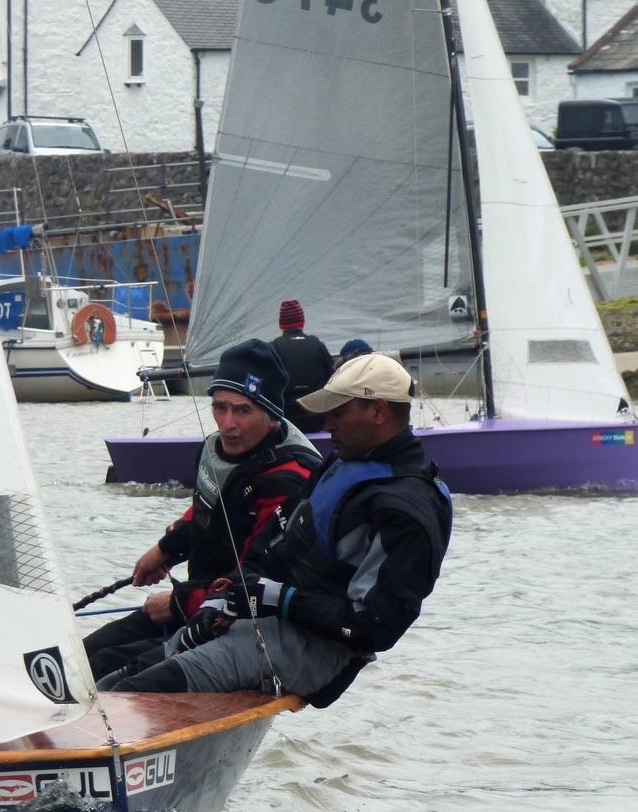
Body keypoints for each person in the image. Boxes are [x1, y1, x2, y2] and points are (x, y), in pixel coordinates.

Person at [98, 353, 452, 708]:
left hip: (315, 652)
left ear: (378, 412)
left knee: (133, 696)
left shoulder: (406, 509)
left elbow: (377, 626)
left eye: (339, 413)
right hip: (262, 623)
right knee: (118, 678)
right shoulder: (342, 465)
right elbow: (272, 545)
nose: (327, 423)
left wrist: (281, 599)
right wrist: (223, 599)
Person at [83, 338, 322, 679]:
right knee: (80, 659)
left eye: (242, 410)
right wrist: (164, 550)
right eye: (219, 407)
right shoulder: (215, 449)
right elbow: (208, 509)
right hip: (195, 598)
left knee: (108, 671)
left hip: (236, 621)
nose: (227, 423)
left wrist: (180, 602)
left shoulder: (289, 480)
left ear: (271, 416)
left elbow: (260, 575)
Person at [272, 299, 334, 434]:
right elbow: (332, 378)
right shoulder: (317, 345)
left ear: (281, 324)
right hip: (316, 419)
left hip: (287, 420)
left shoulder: (274, 347)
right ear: (302, 322)